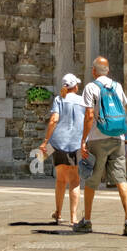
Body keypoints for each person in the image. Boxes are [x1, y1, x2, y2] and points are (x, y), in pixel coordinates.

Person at [74, 56, 127, 237]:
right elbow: (124, 110)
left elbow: (89, 116)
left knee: (92, 180)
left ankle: (87, 220)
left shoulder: (91, 87)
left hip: (97, 138)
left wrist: (84, 139)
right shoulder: (117, 86)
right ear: (107, 70)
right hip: (118, 138)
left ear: (93, 71)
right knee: (121, 179)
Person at [39, 74, 86, 225]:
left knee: (60, 180)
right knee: (75, 181)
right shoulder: (82, 101)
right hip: (76, 143)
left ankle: (58, 213)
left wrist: (46, 141)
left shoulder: (59, 100)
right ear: (76, 87)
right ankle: (73, 217)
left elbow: (54, 120)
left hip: (59, 143)